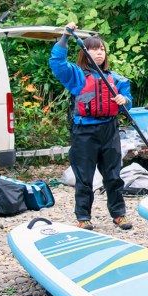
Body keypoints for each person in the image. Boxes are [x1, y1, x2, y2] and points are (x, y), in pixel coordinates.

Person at [49, 22, 133, 231]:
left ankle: (119, 214)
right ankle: (83, 216)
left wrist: (125, 100)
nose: (99, 53)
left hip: (109, 130)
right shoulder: (76, 76)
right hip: (84, 132)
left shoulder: (116, 78)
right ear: (85, 53)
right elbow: (57, 62)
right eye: (94, 49)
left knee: (113, 176)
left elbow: (128, 101)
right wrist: (65, 37)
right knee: (84, 177)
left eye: (102, 49)